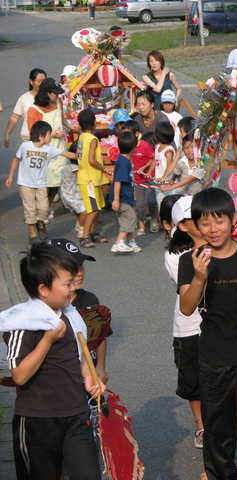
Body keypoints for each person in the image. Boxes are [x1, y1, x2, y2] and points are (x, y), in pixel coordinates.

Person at [177, 188, 237, 480]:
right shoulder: (191, 261)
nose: (213, 229)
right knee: (218, 430)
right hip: (215, 357)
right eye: (204, 223)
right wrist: (200, 276)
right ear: (196, 226)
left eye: (219, 221)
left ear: (233, 219)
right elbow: (187, 307)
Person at [0, 242, 104, 480]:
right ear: (44, 289)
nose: (71, 290)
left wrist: (89, 378)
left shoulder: (70, 315)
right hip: (38, 421)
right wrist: (47, 340)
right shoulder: (23, 322)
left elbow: (78, 359)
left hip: (76, 415)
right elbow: (19, 375)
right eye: (67, 284)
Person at [160, 194, 206, 449]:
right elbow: (189, 295)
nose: (201, 222)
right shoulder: (176, 255)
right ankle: (201, 427)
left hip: (219, 325)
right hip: (190, 326)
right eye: (193, 219)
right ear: (182, 225)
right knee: (193, 382)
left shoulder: (222, 243)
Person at [48, 237, 111, 384]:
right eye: (72, 268)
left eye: (81, 266)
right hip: (61, 380)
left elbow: (101, 336)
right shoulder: (45, 308)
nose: (80, 272)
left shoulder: (89, 300)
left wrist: (100, 367)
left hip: (91, 375)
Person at [5, 121, 75, 244]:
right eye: (49, 134)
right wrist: (10, 177)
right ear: (41, 135)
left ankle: (41, 223)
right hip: (26, 184)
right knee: (30, 209)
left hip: (41, 184)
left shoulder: (49, 149)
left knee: (44, 209)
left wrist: (80, 155)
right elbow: (16, 159)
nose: (50, 137)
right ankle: (32, 234)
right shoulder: (25, 146)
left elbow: (65, 154)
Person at [26, 78, 68, 201]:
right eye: (55, 93)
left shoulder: (58, 102)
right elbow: (33, 134)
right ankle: (42, 211)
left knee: (57, 181)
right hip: (44, 152)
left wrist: (72, 127)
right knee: (44, 185)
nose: (58, 96)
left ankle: (46, 209)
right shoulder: (34, 110)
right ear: (48, 93)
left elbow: (63, 120)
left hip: (60, 150)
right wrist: (53, 134)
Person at [76, 109, 110, 248]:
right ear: (94, 124)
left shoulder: (81, 137)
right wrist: (103, 168)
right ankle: (85, 236)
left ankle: (93, 232)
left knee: (98, 206)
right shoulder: (92, 139)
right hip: (90, 179)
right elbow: (91, 160)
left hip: (89, 178)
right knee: (93, 209)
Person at [109, 132, 141, 254]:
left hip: (127, 196)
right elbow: (118, 181)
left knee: (129, 218)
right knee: (130, 218)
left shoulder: (124, 160)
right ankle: (118, 243)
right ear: (133, 147)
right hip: (122, 198)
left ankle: (131, 241)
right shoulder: (123, 162)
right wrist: (116, 199)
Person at [3, 68, 46, 148]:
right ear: (31, 82)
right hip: (28, 140)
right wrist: (7, 134)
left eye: (44, 81)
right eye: (39, 81)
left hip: (46, 141)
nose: (42, 84)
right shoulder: (24, 98)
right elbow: (14, 117)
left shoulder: (51, 98)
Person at [130, 124, 158, 235]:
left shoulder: (145, 145)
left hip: (149, 179)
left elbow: (153, 159)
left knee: (151, 201)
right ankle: (141, 225)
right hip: (137, 180)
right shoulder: (129, 147)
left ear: (136, 134)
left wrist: (147, 169)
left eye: (129, 133)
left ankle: (154, 219)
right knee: (139, 204)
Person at [153, 121, 177, 207]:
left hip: (167, 183)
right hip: (158, 181)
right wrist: (149, 172)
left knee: (169, 205)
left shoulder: (168, 150)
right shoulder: (157, 146)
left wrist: (164, 178)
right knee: (160, 204)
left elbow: (169, 166)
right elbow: (154, 160)